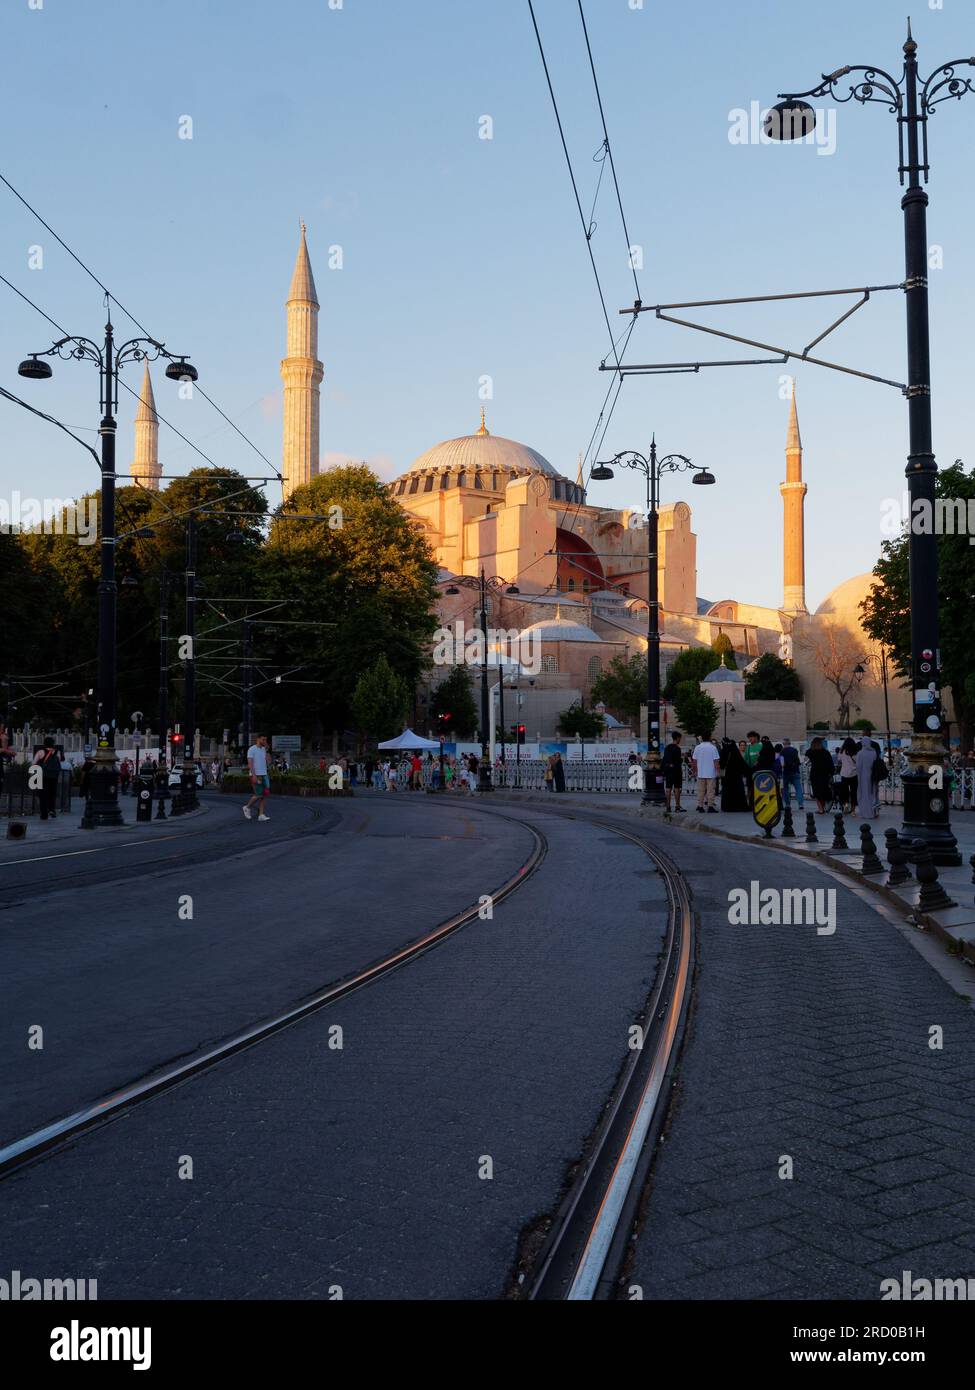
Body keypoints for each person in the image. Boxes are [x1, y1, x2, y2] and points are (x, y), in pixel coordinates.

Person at [243, 733, 271, 821]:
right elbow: (250, 764)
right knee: (259, 794)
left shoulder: (263, 749)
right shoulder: (252, 749)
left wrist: (267, 752)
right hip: (256, 774)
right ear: (258, 739)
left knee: (264, 795)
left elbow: (269, 762)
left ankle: (261, 815)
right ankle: (247, 807)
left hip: (264, 774)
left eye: (265, 740)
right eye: (263, 740)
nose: (264, 741)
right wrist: (253, 775)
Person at [33, 737, 62, 820]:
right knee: (52, 794)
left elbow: (34, 763)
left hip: (42, 776)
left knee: (42, 795)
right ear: (53, 743)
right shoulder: (57, 752)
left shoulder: (40, 752)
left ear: (44, 743)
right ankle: (52, 809)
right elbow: (58, 762)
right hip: (53, 776)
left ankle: (44, 814)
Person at [691, 733, 721, 813]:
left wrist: (694, 771)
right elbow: (716, 761)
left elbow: (694, 761)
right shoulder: (713, 748)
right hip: (711, 773)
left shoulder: (697, 747)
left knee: (701, 790)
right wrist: (718, 771)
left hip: (700, 773)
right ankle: (710, 806)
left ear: (702, 738)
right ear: (710, 737)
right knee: (710, 790)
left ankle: (700, 806)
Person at [719, 736, 749, 812]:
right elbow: (742, 764)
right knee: (738, 791)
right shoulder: (735, 751)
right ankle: (739, 806)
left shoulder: (723, 751)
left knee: (727, 791)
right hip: (736, 776)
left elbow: (721, 764)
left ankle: (727, 807)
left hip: (727, 776)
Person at [805, 736, 835, 814]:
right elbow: (831, 764)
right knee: (823, 790)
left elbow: (806, 753)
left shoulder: (811, 752)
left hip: (815, 774)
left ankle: (821, 809)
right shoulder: (826, 752)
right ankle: (823, 807)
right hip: (824, 774)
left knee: (816, 792)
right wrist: (831, 773)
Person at [661, 732, 685, 812]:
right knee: (677, 788)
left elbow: (665, 759)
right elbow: (678, 760)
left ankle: (668, 806)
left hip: (668, 770)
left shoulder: (667, 747)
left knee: (668, 788)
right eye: (680, 738)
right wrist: (682, 758)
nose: (680, 740)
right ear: (677, 738)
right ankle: (677, 806)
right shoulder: (677, 748)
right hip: (676, 770)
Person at [855, 736, 878, 818]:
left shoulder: (860, 753)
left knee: (863, 793)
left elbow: (858, 766)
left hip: (862, 776)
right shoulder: (873, 752)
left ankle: (864, 812)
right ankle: (871, 812)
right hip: (872, 775)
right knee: (871, 793)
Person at [779, 737, 804, 812]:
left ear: (783, 743)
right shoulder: (795, 750)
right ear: (789, 743)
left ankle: (787, 804)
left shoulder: (782, 752)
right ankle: (800, 804)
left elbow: (781, 763)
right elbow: (797, 761)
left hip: (786, 772)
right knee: (798, 788)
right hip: (795, 771)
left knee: (785, 789)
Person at [839, 737, 859, 813]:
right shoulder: (855, 752)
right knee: (854, 792)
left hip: (844, 774)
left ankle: (846, 805)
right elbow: (858, 762)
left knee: (845, 791)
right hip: (854, 774)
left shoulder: (842, 751)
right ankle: (853, 809)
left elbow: (839, 759)